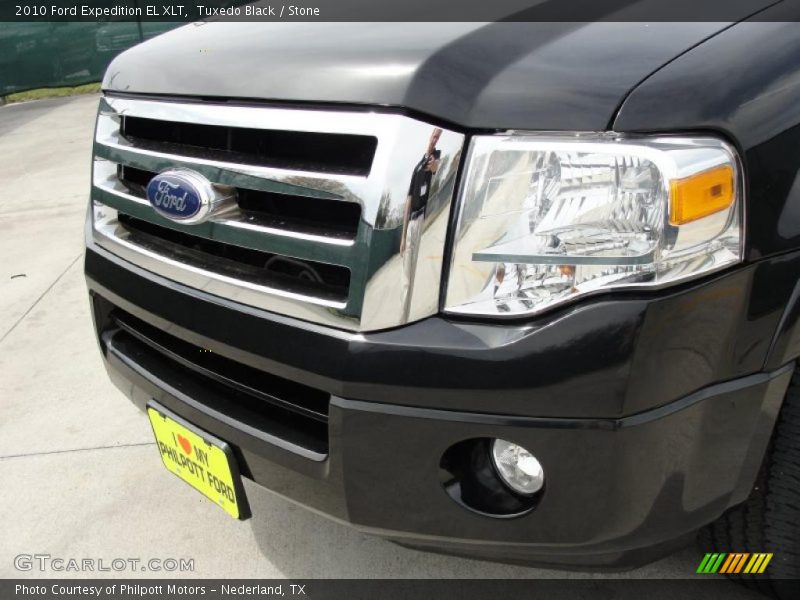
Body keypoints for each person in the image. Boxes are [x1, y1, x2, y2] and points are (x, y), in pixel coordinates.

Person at [400, 128, 442, 320]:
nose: (435, 139)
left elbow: (436, 168)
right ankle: (403, 315)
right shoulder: (418, 165)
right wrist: (402, 236)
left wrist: (434, 165)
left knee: (411, 274)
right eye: (434, 135)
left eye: (438, 137)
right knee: (406, 275)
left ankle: (403, 318)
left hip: (419, 219)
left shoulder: (435, 157)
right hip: (410, 222)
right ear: (429, 135)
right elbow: (408, 198)